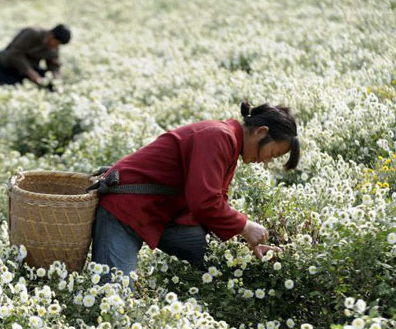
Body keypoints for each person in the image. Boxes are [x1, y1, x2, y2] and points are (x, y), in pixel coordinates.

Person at [91, 101, 300, 283]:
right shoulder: (218, 136)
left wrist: (245, 247)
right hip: (125, 210)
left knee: (223, 255)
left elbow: (214, 204)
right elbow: (204, 202)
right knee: (113, 292)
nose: (265, 162)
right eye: (271, 154)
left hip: (161, 215)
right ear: (260, 132)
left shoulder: (230, 145)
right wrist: (244, 226)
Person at [0, 24, 71, 88]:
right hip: (10, 66)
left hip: (30, 69)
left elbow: (53, 65)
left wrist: (56, 79)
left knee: (49, 84)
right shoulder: (33, 33)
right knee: (12, 87)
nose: (56, 46)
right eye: (57, 43)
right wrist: (30, 72)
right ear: (51, 36)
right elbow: (15, 53)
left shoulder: (53, 47)